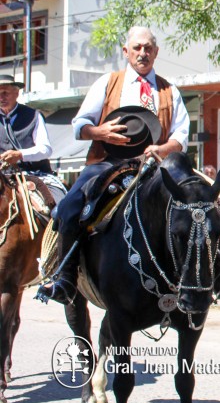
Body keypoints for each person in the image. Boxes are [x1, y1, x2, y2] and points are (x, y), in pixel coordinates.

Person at [37, 26, 191, 304]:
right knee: (70, 206)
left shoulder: (170, 90)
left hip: (156, 167)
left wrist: (162, 149)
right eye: (137, 48)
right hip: (109, 163)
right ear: (126, 52)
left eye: (148, 48)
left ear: (156, 52)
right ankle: (66, 279)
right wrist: (100, 133)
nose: (142, 53)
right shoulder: (108, 82)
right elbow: (79, 125)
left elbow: (181, 135)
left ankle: (207, 277)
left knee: (200, 203)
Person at [0, 75, 66, 205]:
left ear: (16, 93)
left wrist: (20, 155)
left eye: (5, 93)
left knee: (61, 208)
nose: (1, 98)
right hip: (2, 177)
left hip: (36, 175)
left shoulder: (34, 116)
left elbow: (45, 149)